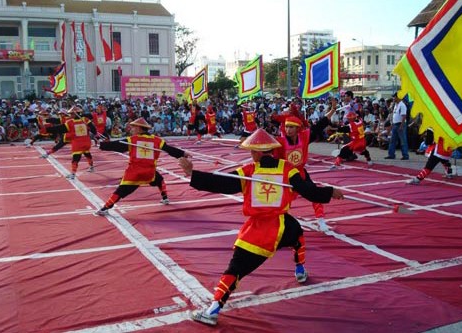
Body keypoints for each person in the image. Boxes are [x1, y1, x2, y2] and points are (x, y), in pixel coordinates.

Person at [178, 128, 344, 326]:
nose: (251, 155)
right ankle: (300, 269)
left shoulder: (250, 170)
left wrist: (192, 174)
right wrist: (331, 191)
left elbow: (221, 183)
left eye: (251, 151)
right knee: (297, 234)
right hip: (282, 224)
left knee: (236, 269)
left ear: (257, 152)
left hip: (258, 231)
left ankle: (213, 310)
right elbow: (309, 192)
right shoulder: (287, 168)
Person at [95, 117, 189, 215]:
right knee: (159, 180)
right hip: (149, 173)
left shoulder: (133, 139)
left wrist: (102, 145)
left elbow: (117, 145)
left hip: (135, 173)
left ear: (139, 128)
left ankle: (105, 208)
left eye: (133, 128)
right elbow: (170, 149)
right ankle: (165, 198)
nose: (131, 130)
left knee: (121, 190)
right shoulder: (157, 140)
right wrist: (183, 153)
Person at [273, 115, 334, 223]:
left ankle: (320, 219)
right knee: (282, 200)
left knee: (314, 193)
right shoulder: (280, 142)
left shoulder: (304, 137)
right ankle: (280, 220)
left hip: (301, 173)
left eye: (291, 127)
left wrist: (332, 110)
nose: (288, 130)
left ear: (298, 129)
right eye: (287, 127)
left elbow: (318, 126)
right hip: (287, 176)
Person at [47, 106, 96, 179]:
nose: (70, 115)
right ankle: (91, 166)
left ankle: (73, 173)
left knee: (75, 158)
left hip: (78, 143)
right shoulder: (85, 120)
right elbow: (94, 130)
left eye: (72, 114)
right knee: (87, 153)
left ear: (76, 113)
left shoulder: (70, 122)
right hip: (86, 142)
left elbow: (60, 129)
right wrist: (91, 130)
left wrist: (48, 130)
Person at [385, 92, 409, 160]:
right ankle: (391, 154)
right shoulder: (395, 105)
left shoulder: (402, 105)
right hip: (395, 124)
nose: (393, 98)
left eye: (394, 97)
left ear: (398, 97)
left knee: (403, 141)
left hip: (400, 124)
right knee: (392, 140)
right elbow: (394, 114)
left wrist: (401, 126)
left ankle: (405, 155)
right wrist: (392, 123)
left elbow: (404, 116)